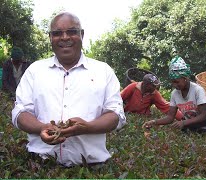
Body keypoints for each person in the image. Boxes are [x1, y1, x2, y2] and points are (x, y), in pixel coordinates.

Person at [11, 12, 126, 167]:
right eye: (57, 33)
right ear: (50, 37)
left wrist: (88, 127)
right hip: (40, 167)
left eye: (72, 31)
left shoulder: (103, 71)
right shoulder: (35, 71)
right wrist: (42, 128)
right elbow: (20, 112)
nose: (64, 37)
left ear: (82, 35)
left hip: (91, 169)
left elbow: (116, 114)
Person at [143, 56, 206, 136]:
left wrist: (183, 123)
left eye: (176, 82)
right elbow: (170, 117)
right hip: (190, 124)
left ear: (185, 78)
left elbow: (203, 115)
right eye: (172, 82)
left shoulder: (198, 90)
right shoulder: (174, 94)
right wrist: (154, 122)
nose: (174, 85)